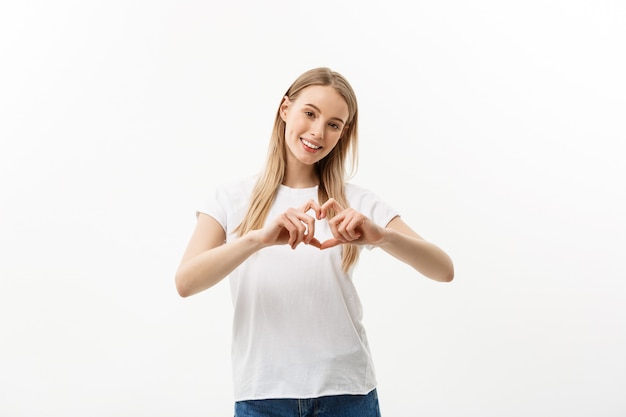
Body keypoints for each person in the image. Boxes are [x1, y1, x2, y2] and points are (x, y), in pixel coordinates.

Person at [175, 67, 454, 417]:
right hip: (264, 395)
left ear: (343, 133)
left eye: (334, 124)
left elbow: (443, 269)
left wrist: (382, 237)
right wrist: (257, 239)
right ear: (284, 109)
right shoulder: (230, 198)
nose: (318, 132)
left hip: (348, 394)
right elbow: (186, 282)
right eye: (310, 113)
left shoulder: (357, 202)